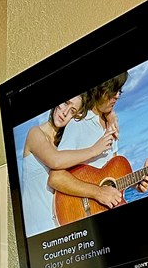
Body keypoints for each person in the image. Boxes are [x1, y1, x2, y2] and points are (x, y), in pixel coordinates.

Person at [49, 74, 148, 214]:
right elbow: (55, 178)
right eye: (113, 90)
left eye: (119, 90)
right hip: (84, 212)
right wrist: (98, 192)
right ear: (99, 89)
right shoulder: (78, 124)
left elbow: (114, 178)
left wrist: (137, 183)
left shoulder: (111, 128)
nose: (116, 96)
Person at [19, 96, 115, 237]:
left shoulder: (65, 145)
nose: (65, 113)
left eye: (72, 111)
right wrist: (94, 150)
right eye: (65, 103)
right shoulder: (35, 133)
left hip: (60, 227)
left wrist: (110, 115)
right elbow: (55, 161)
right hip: (38, 231)